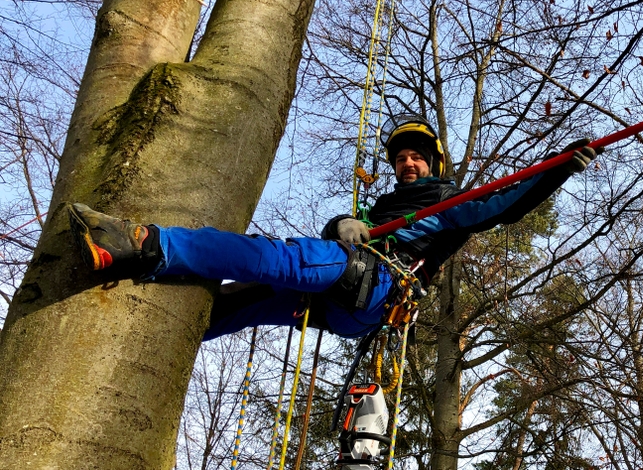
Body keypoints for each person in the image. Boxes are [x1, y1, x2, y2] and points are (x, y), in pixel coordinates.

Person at [68, 114, 600, 340]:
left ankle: (143, 245)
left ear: (434, 164)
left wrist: (556, 169)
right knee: (256, 298)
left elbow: (500, 205)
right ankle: (180, 327)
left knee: (273, 258)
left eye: (417, 157)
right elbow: (344, 227)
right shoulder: (384, 206)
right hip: (353, 308)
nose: (407, 164)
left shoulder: (449, 201)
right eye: (401, 159)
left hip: (376, 284)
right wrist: (345, 221)